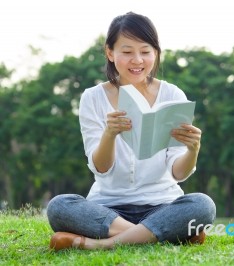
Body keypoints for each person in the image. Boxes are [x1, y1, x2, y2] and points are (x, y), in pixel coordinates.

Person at [47, 11, 216, 251]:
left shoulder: (173, 95)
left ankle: (100, 245)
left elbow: (179, 173)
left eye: (145, 51)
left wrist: (193, 149)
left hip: (162, 204)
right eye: (127, 52)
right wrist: (109, 134)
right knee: (60, 206)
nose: (137, 60)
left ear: (156, 53)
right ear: (110, 52)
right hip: (108, 208)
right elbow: (101, 167)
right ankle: (162, 234)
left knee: (203, 205)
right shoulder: (92, 98)